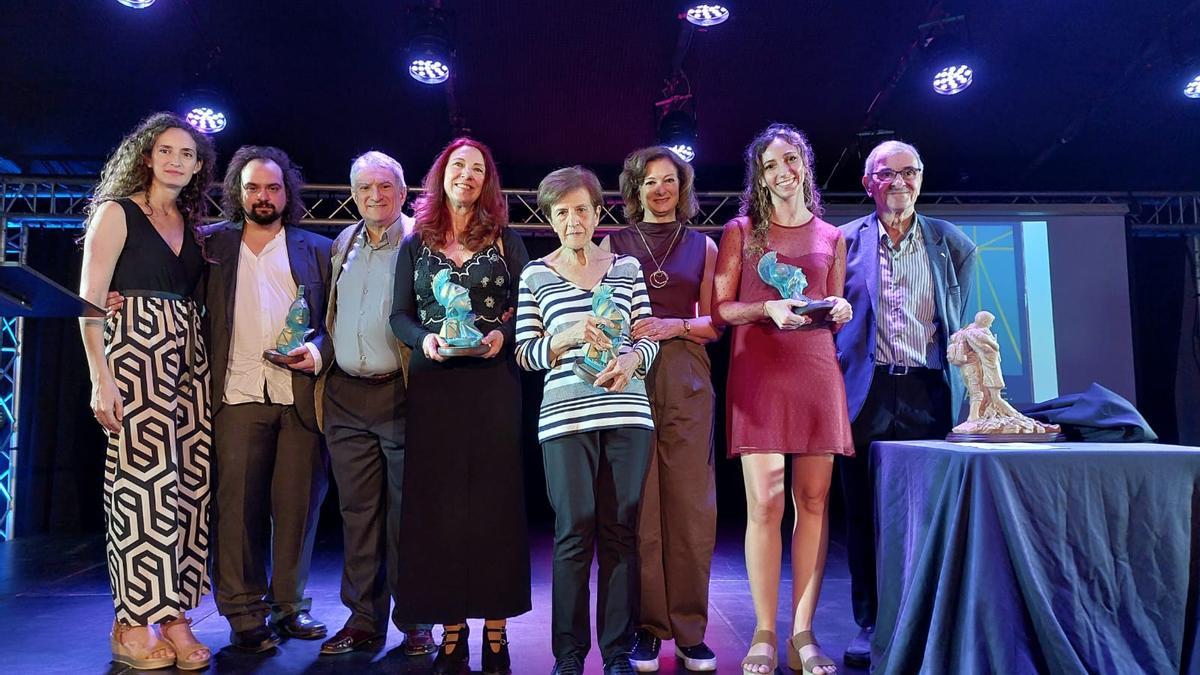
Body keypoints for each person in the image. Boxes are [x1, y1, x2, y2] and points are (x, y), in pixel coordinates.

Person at [712, 124, 853, 675]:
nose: (782, 172)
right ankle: (764, 633)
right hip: (760, 374)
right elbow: (722, 308)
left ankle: (804, 634)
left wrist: (839, 308)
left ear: (805, 166)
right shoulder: (741, 232)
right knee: (765, 505)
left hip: (816, 371)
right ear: (760, 177)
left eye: (790, 161)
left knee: (813, 503)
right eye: (770, 165)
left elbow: (833, 305)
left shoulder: (832, 237)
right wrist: (763, 309)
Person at [80, 112, 216, 671]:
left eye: (187, 153)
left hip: (187, 358)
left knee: (186, 487)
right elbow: (90, 302)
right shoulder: (118, 212)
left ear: (198, 166)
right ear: (146, 154)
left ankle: (176, 614)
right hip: (134, 354)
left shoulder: (188, 220)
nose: (177, 160)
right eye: (167, 150)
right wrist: (100, 378)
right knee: (141, 484)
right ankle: (131, 619)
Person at [390, 138, 531, 675]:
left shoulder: (505, 239)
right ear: (441, 175)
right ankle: (452, 629)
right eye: (458, 166)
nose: (466, 176)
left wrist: (500, 332)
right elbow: (399, 315)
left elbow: (529, 304)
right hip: (434, 385)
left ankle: (496, 630)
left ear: (486, 181)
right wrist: (423, 341)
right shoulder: (415, 242)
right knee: (440, 510)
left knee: (495, 505)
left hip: (493, 382)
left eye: (477, 169)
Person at [834, 140, 976, 669]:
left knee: (928, 514)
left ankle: (928, 620)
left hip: (927, 393)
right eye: (887, 173)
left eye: (910, 172)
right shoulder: (843, 243)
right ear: (869, 183)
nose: (900, 182)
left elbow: (956, 321)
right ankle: (871, 625)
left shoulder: (952, 243)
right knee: (865, 518)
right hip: (865, 394)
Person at [516, 166, 660, 675]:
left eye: (581, 209)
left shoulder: (626, 268)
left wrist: (631, 360)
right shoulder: (535, 274)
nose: (572, 220)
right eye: (561, 212)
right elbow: (526, 354)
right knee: (573, 529)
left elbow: (648, 339)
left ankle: (618, 653)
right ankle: (570, 656)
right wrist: (568, 335)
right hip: (563, 420)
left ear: (598, 213)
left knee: (621, 530)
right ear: (550, 219)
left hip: (626, 413)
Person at [204, 146, 332, 652]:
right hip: (236, 397)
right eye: (253, 187)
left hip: (299, 397)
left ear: (287, 192)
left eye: (273, 187)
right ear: (238, 191)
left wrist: (317, 350)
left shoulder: (316, 249)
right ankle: (243, 612)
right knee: (236, 512)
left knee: (298, 509)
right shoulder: (211, 246)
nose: (263, 196)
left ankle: (290, 608)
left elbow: (333, 322)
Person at [601, 146, 720, 672]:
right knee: (641, 505)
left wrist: (676, 325)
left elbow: (715, 323)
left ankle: (691, 630)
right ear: (635, 189)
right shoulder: (614, 243)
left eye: (669, 180)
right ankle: (649, 627)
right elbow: (602, 312)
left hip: (687, 374)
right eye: (649, 181)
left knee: (692, 506)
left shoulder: (703, 246)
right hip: (632, 375)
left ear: (682, 187)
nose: (660, 189)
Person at [314, 151, 436, 656]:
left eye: (385, 187)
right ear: (353, 193)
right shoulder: (343, 242)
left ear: (403, 193)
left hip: (401, 393)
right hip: (345, 394)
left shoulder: (422, 242)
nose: (374, 196)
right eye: (364, 188)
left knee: (408, 515)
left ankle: (416, 621)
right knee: (357, 513)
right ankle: (362, 619)